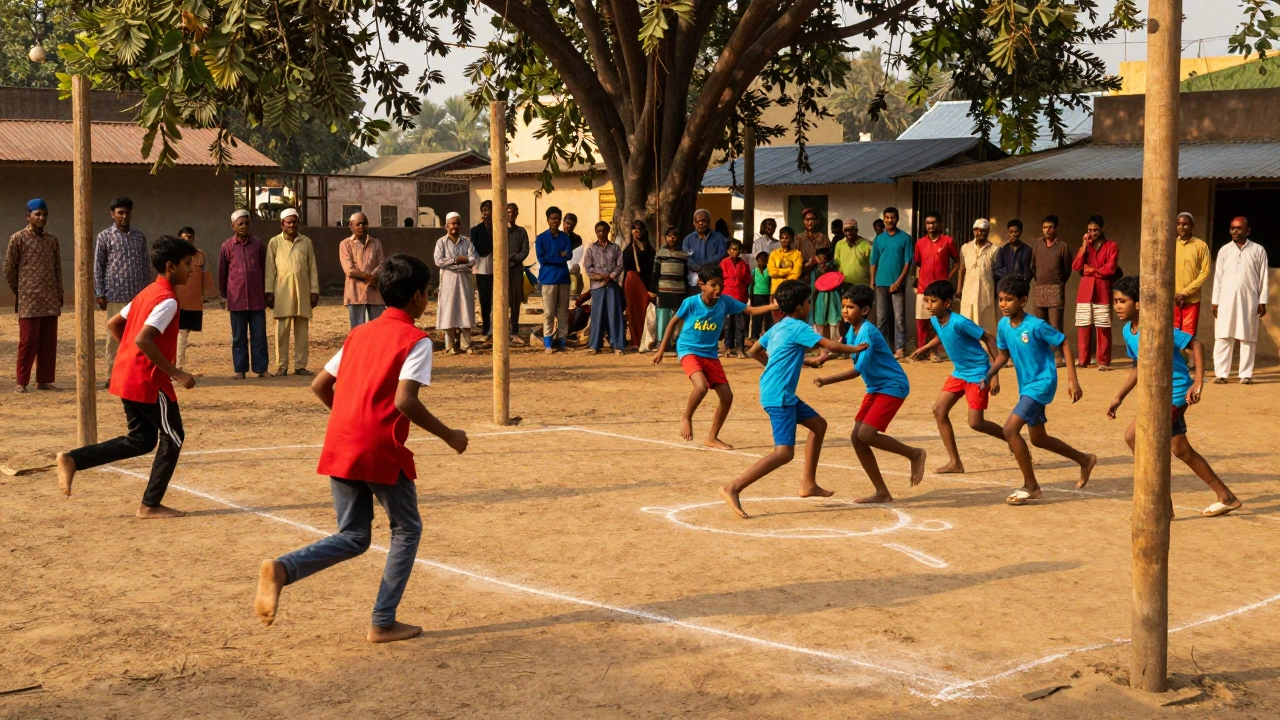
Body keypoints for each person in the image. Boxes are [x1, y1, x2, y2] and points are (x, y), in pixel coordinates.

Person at [254, 253, 470, 642]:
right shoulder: (417, 340)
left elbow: (320, 384)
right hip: (378, 448)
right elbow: (405, 401)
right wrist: (449, 435)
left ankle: (283, 569)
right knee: (407, 529)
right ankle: (382, 620)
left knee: (353, 535)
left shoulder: (359, 333)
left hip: (341, 441)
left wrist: (352, 417)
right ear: (420, 297)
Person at [55, 235, 200, 519]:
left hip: (127, 376)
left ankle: (74, 459)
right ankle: (149, 505)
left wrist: (128, 358)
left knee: (142, 440)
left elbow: (114, 324)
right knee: (174, 437)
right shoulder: (167, 300)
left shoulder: (147, 293)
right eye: (187, 264)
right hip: (148, 381)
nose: (192, 270)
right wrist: (177, 372)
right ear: (170, 267)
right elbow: (145, 340)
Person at [718, 279, 863, 519]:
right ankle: (732, 488)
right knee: (784, 453)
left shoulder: (780, 324)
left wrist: (778, 365)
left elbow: (754, 351)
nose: (809, 306)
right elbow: (829, 345)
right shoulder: (798, 326)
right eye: (808, 302)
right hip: (780, 396)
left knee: (818, 425)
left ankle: (808, 484)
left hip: (778, 391)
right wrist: (858, 349)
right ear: (798, 307)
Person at [1108, 275, 1241, 517]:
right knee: (1180, 449)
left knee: (1135, 437)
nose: (1116, 306)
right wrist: (1120, 396)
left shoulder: (1157, 326)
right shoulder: (1128, 331)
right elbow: (1138, 366)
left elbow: (1196, 345)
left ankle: (1162, 503)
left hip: (1176, 392)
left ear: (1138, 303)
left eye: (1122, 301)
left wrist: (1198, 384)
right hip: (1158, 395)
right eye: (1115, 301)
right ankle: (1226, 497)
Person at [982, 274, 1096, 506]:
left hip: (1042, 383)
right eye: (1001, 299)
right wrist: (989, 375)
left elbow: (1063, 342)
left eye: (1009, 299)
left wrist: (1072, 379)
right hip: (1026, 385)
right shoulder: (1003, 325)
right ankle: (1084, 459)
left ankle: (1031, 486)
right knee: (1039, 439)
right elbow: (1004, 354)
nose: (1004, 304)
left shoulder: (1036, 325)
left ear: (1023, 301)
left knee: (1010, 429)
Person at [814, 284, 926, 502]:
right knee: (857, 438)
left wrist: (826, 380)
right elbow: (840, 346)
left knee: (865, 434)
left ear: (865, 311)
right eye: (844, 306)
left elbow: (857, 371)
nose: (845, 311)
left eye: (851, 307)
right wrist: (820, 359)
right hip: (876, 387)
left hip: (892, 386)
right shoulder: (851, 329)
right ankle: (882, 492)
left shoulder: (867, 332)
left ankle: (915, 453)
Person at [654, 263, 776, 448]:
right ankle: (686, 417)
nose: (718, 288)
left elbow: (751, 310)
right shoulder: (691, 303)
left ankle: (712, 437)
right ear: (701, 284)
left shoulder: (726, 302)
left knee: (727, 397)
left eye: (721, 284)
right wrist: (661, 350)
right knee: (701, 386)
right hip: (689, 350)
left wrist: (774, 305)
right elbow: (672, 323)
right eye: (713, 284)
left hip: (710, 354)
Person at [909, 280, 1005, 474]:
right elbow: (943, 336)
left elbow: (989, 338)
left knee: (976, 423)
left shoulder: (960, 322)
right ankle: (955, 462)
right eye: (927, 301)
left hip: (979, 373)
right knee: (939, 410)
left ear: (946, 303)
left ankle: (1012, 437)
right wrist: (926, 347)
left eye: (933, 301)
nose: (928, 305)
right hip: (959, 372)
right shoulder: (936, 319)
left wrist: (994, 375)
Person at [5, 199, 63, 392]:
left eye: (44, 214)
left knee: (48, 342)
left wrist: (59, 293)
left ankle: (44, 380)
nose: (41, 217)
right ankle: (22, 382)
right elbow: (9, 269)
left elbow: (57, 269)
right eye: (37, 214)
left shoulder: (52, 241)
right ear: (28, 216)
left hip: (50, 299)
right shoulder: (18, 239)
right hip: (28, 301)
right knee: (29, 341)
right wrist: (21, 291)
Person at [94, 196, 150, 387]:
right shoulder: (104, 237)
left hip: (137, 296)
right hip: (114, 295)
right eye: (120, 212)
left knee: (137, 336)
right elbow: (98, 266)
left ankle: (134, 374)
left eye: (127, 212)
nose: (124, 216)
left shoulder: (139, 236)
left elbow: (145, 265)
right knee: (114, 337)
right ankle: (113, 376)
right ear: (112, 214)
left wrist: (146, 294)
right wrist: (100, 292)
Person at [1212, 216, 1269, 384]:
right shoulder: (1224, 250)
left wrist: (1262, 301)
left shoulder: (1258, 250)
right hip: (1225, 301)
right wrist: (1215, 301)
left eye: (1238, 228)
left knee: (1248, 338)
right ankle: (1221, 374)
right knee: (1223, 336)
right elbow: (1218, 278)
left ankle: (1245, 375)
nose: (1234, 231)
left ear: (1247, 231)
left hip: (1249, 301)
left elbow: (1263, 277)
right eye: (1232, 228)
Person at [265, 208, 320, 376]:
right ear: (282, 224)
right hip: (282, 293)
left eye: (295, 222)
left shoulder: (306, 242)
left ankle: (300, 365)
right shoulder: (274, 242)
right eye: (289, 222)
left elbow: (312, 268)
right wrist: (268, 291)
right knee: (282, 331)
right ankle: (282, 366)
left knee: (302, 332)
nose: (292, 225)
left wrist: (314, 290)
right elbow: (270, 269)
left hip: (303, 292)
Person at [219, 210, 270, 379]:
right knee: (239, 337)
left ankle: (261, 369)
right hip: (236, 299)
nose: (244, 227)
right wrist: (224, 295)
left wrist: (267, 292)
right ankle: (240, 370)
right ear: (233, 226)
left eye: (246, 223)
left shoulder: (258, 245)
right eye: (240, 224)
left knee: (259, 335)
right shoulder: (227, 246)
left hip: (256, 298)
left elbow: (265, 268)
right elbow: (223, 273)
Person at [1071, 214, 1118, 370]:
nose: (1092, 233)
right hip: (1085, 291)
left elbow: (1110, 269)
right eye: (1089, 230)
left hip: (1103, 290)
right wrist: (1084, 246)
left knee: (1103, 326)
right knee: (1083, 326)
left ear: (1102, 229)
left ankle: (1103, 361)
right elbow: (1076, 266)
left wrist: (1091, 270)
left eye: (1095, 230)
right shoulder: (1086, 247)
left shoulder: (1112, 246)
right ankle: (1083, 360)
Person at [911, 212, 959, 360]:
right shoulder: (920, 243)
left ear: (939, 224)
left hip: (940, 290)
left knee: (939, 321)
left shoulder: (947, 241)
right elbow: (918, 263)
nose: (930, 226)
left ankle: (935, 352)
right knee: (922, 321)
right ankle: (921, 351)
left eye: (933, 223)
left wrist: (947, 279)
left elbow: (957, 262)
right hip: (923, 288)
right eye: (928, 223)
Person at [869, 207, 912, 357]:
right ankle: (882, 348)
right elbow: (873, 262)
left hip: (898, 285)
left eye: (892, 217)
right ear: (884, 218)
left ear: (897, 219)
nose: (889, 220)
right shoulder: (879, 239)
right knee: (881, 319)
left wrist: (898, 282)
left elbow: (908, 263)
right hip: (881, 283)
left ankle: (900, 348)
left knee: (899, 318)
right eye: (886, 217)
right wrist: (872, 282)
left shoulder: (905, 238)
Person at [433, 212, 478, 355]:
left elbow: (473, 259)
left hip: (464, 280)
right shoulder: (441, 242)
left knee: (465, 309)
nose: (455, 226)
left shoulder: (467, 242)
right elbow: (438, 261)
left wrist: (457, 261)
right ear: (446, 225)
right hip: (448, 280)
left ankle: (466, 344)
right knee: (448, 311)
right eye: (452, 223)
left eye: (457, 223)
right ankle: (450, 345)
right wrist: (455, 260)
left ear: (461, 225)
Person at [1031, 214, 1071, 365]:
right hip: (1040, 288)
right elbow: (1033, 266)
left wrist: (1058, 282)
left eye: (1050, 227)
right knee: (1039, 323)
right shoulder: (1037, 244)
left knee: (1055, 324)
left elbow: (1067, 269)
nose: (1047, 230)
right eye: (1044, 227)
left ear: (1056, 228)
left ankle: (1056, 355)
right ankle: (1042, 355)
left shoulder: (1062, 247)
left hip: (1055, 289)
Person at [174, 226, 214, 369]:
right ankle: (178, 367)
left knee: (185, 332)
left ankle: (177, 366)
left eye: (190, 237)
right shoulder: (173, 256)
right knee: (181, 333)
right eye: (184, 237)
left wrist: (209, 295)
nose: (187, 240)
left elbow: (205, 277)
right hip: (178, 300)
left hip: (194, 300)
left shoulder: (200, 255)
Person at [583, 220, 627, 354]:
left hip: (612, 285)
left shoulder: (615, 248)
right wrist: (601, 277)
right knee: (597, 314)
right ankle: (595, 345)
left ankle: (617, 345)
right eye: (598, 231)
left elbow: (620, 265)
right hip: (597, 286)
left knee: (614, 314)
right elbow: (588, 267)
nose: (601, 233)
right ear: (596, 232)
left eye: (604, 230)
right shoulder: (591, 248)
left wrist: (611, 277)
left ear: (608, 231)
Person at [536, 206, 572, 353]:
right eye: (553, 218)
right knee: (549, 312)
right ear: (548, 220)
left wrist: (554, 257)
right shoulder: (541, 238)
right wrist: (559, 256)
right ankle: (548, 342)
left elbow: (568, 255)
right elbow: (542, 259)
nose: (555, 221)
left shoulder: (565, 237)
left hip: (563, 277)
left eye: (558, 218)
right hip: (548, 278)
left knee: (563, 311)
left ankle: (562, 339)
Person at [340, 212, 386, 329]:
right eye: (358, 224)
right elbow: (349, 270)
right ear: (351, 225)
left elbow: (382, 263)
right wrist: (368, 277)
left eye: (364, 224)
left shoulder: (376, 243)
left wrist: (374, 276)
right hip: (355, 291)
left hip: (374, 290)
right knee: (357, 329)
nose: (361, 227)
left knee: (378, 328)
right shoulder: (345, 244)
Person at [957, 218, 998, 335]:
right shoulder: (965, 248)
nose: (981, 233)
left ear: (989, 231)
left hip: (986, 291)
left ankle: (986, 349)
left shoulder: (995, 250)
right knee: (966, 318)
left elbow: (997, 273)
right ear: (974, 231)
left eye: (984, 230)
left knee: (985, 320)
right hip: (968, 291)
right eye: (978, 230)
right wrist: (959, 289)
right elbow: (961, 268)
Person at [653, 226, 690, 350]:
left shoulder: (683, 254)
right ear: (666, 237)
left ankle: (677, 341)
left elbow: (685, 274)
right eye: (670, 235)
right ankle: (662, 342)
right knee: (663, 315)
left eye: (675, 235)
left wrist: (686, 290)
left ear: (678, 237)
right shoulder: (660, 253)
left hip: (679, 290)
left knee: (679, 317)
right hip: (664, 289)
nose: (672, 238)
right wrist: (653, 289)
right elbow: (655, 272)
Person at [1174, 212, 1210, 337]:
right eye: (1178, 224)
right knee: (1172, 335)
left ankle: (1186, 357)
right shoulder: (1170, 245)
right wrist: (1175, 294)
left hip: (1192, 300)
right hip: (1172, 300)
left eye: (1185, 224)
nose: (1181, 227)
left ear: (1192, 226)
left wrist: (1184, 293)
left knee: (1187, 337)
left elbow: (1205, 272)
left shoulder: (1201, 246)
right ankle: (1174, 358)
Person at [622, 219, 657, 351]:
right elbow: (626, 272)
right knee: (632, 312)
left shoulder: (650, 250)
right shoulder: (627, 251)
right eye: (635, 228)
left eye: (640, 228)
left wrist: (651, 288)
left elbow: (653, 271)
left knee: (645, 312)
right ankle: (635, 341)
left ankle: (646, 341)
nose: (638, 231)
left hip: (646, 284)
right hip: (631, 284)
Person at [719, 238, 752, 357]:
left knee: (740, 324)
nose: (735, 252)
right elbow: (720, 279)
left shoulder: (744, 264)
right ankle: (728, 347)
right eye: (733, 249)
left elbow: (748, 280)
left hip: (740, 297)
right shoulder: (723, 263)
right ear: (728, 250)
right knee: (727, 324)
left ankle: (740, 348)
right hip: (727, 296)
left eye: (737, 249)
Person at [682, 209, 729, 286]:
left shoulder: (719, 238)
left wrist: (706, 267)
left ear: (709, 222)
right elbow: (686, 258)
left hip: (713, 277)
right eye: (698, 221)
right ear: (694, 222)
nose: (700, 223)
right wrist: (699, 268)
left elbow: (721, 255)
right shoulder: (688, 239)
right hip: (694, 280)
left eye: (703, 221)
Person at [505, 203, 531, 343]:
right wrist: (507, 258)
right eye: (508, 211)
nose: (511, 214)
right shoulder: (500, 231)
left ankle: (514, 329)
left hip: (516, 271)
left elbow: (525, 251)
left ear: (517, 213)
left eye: (513, 212)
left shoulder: (521, 232)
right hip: (502, 271)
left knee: (515, 302)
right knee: (503, 301)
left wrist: (512, 258)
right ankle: (503, 330)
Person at [471, 201, 495, 337]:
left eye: (490, 210)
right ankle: (486, 327)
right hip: (481, 268)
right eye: (485, 210)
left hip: (496, 268)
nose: (487, 213)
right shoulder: (476, 230)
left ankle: (495, 326)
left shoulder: (499, 228)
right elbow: (476, 248)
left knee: (495, 299)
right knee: (484, 299)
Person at [808, 246, 841, 340]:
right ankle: (820, 344)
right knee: (819, 320)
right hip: (820, 298)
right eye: (819, 259)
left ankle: (835, 344)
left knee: (834, 320)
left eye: (824, 259)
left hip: (833, 297)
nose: (822, 262)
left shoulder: (833, 269)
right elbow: (813, 289)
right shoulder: (815, 272)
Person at [994, 219, 1032, 292]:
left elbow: (1029, 271)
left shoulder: (1028, 250)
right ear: (1008, 232)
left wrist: (1022, 281)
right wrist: (1009, 278)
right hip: (1005, 287)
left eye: (1016, 232)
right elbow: (997, 269)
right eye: (1011, 232)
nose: (1013, 234)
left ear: (1020, 232)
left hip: (1021, 287)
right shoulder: (1003, 250)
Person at [833, 217, 871, 287]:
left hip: (863, 286)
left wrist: (872, 284)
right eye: (846, 230)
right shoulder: (839, 244)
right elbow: (837, 263)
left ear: (856, 230)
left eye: (851, 230)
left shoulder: (866, 244)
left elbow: (873, 265)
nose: (848, 233)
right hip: (844, 285)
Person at [767, 227, 803, 294]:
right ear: (779, 238)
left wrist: (779, 273)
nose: (784, 240)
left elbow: (796, 274)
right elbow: (772, 272)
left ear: (792, 239)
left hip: (790, 291)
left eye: (787, 238)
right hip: (776, 290)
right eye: (782, 238)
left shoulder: (797, 254)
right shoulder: (774, 254)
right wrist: (789, 270)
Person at [749, 251, 774, 340]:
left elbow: (771, 283)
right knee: (756, 316)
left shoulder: (769, 270)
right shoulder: (754, 271)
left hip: (767, 296)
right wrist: (750, 297)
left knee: (768, 317)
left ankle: (767, 336)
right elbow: (751, 284)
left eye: (763, 260)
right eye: (759, 260)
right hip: (756, 296)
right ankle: (754, 336)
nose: (761, 262)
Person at [563, 212, 585, 296]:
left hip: (571, 266)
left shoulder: (577, 238)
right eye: (568, 223)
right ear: (564, 223)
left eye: (572, 225)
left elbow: (575, 254)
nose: (569, 226)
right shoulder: (556, 236)